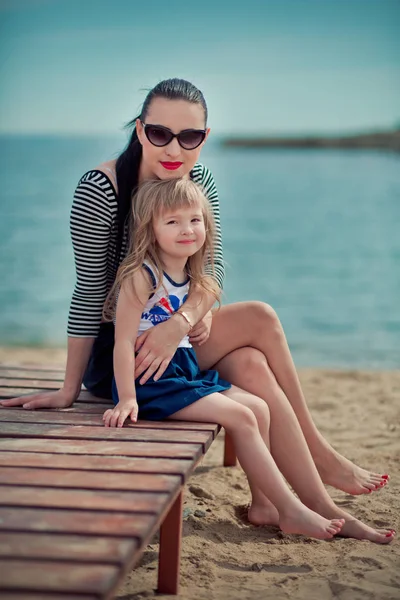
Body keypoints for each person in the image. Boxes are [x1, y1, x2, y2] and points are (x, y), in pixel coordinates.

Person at [0, 77, 390, 508]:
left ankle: (270, 503)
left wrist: (185, 319)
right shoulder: (101, 189)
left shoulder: (197, 179)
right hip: (124, 352)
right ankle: (318, 455)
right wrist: (70, 388)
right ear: (138, 129)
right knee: (260, 317)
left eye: (189, 137)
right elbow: (89, 292)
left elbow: (212, 267)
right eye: (159, 133)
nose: (174, 150)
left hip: (175, 338)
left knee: (251, 361)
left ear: (205, 137)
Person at [103, 176, 394, 544]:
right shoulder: (142, 276)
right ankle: (291, 510)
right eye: (172, 222)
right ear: (151, 229)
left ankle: (265, 505)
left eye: (194, 220)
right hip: (153, 385)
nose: (187, 230)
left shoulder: (193, 277)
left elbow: (205, 297)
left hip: (183, 375)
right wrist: (127, 397)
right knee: (241, 416)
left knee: (259, 407)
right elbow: (122, 343)